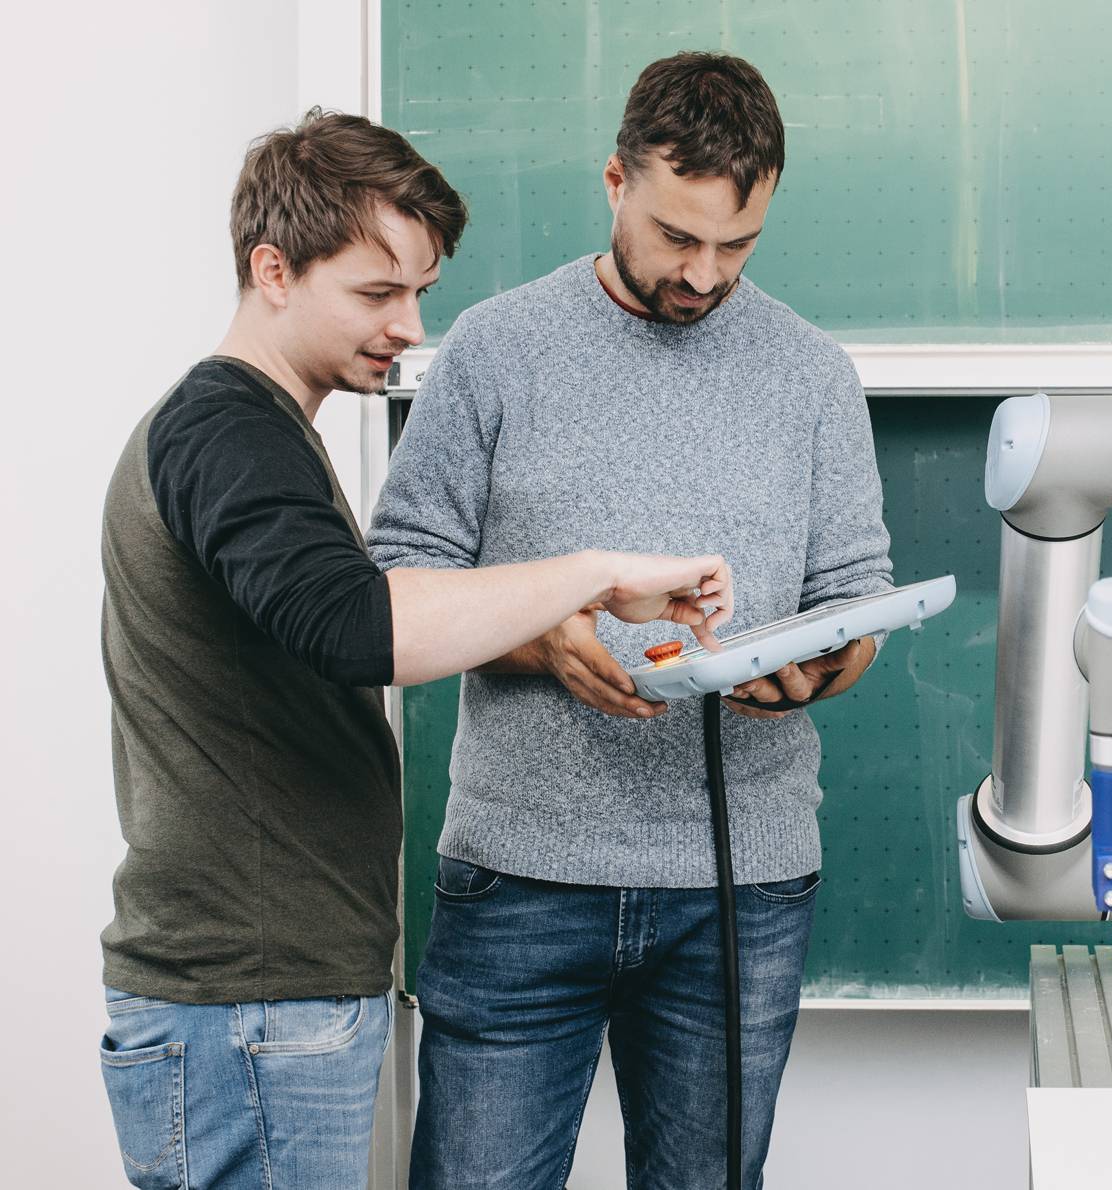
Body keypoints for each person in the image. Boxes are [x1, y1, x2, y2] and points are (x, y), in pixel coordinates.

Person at [98, 107, 731, 1190]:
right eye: (376, 292)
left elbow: (356, 612)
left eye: (419, 294)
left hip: (267, 996)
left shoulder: (255, 432)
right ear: (273, 270)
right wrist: (588, 573)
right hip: (247, 998)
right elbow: (361, 625)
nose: (406, 327)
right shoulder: (229, 432)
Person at [367, 52, 893, 1188]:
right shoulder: (495, 353)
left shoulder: (813, 375)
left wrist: (822, 662)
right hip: (520, 878)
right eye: (675, 236)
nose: (704, 274)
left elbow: (857, 592)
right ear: (613, 180)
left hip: (739, 889)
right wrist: (544, 636)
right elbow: (398, 584)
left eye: (737, 244)